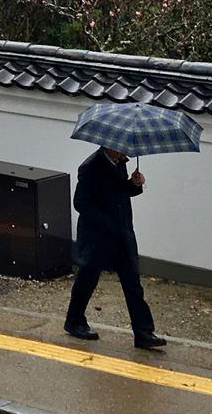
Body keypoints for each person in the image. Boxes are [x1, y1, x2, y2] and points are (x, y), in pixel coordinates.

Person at [64, 146, 166, 350]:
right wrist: (107, 223)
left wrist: (134, 184)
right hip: (98, 236)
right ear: (109, 145)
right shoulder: (90, 167)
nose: (124, 152)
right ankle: (74, 321)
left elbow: (119, 192)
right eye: (120, 149)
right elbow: (81, 203)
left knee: (132, 283)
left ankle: (143, 332)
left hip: (122, 234)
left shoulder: (119, 164)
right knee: (87, 278)